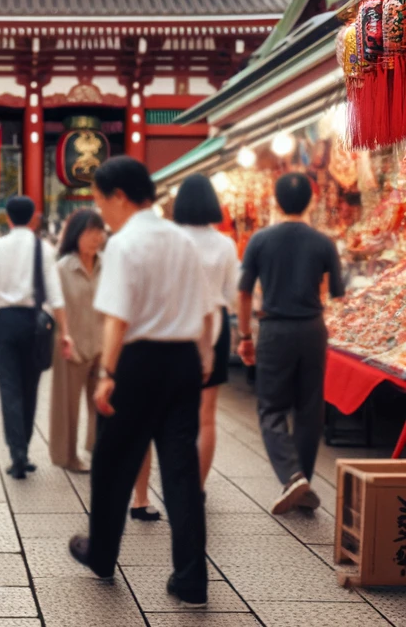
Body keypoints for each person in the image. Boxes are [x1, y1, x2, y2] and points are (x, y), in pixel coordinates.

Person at [68, 156, 213, 609]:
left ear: (119, 197)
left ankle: (102, 555)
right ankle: (191, 578)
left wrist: (107, 374)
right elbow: (207, 312)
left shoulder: (125, 245)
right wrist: (203, 360)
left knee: (112, 461)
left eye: (100, 201)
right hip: (184, 360)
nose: (101, 212)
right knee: (182, 470)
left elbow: (118, 319)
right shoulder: (183, 240)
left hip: (138, 362)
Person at [237, 171, 344, 515]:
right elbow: (337, 293)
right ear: (311, 200)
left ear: (276, 201)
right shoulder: (323, 242)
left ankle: (293, 476)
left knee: (271, 408)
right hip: (313, 328)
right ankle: (303, 482)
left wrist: (244, 336)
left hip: (275, 329)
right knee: (310, 409)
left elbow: (243, 291)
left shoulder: (260, 240)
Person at [0, 195, 72, 479]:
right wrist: (65, 332)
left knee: (9, 389)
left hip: (6, 321)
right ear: (34, 218)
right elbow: (55, 294)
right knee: (30, 388)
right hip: (36, 323)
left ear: (7, 217)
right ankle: (25, 450)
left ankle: (17, 453)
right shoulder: (43, 248)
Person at [174, 173, 241, 488]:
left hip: (175, 330)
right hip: (215, 328)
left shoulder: (172, 239)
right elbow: (231, 294)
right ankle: (196, 486)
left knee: (174, 411)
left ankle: (177, 479)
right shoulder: (225, 244)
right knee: (207, 414)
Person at [50, 209, 106, 472]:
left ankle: (99, 449)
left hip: (102, 346)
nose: (97, 237)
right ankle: (67, 455)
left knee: (102, 404)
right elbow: (53, 306)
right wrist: (63, 335)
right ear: (76, 234)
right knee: (67, 406)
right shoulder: (61, 268)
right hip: (70, 344)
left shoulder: (108, 265)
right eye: (90, 231)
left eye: (100, 231)